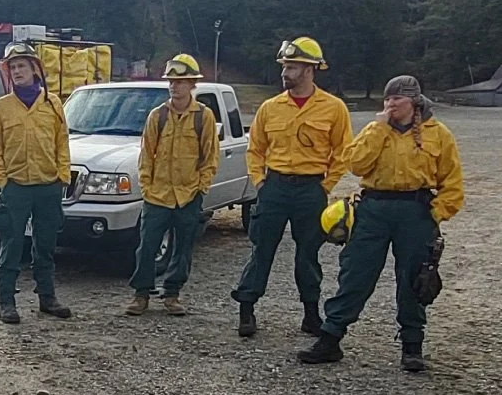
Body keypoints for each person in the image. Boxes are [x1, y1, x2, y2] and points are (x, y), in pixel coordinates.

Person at [298, 75, 464, 372]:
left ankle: (412, 346)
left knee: (414, 278)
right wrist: (378, 128)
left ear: (414, 101)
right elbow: (357, 164)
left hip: (415, 211)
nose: (390, 104)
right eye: (387, 98)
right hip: (374, 208)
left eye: (397, 98)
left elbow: (452, 182)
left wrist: (436, 213)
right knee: (355, 273)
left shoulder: (438, 134)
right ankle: (330, 338)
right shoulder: (376, 129)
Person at [231, 36, 352, 338]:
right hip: (274, 186)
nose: (285, 72)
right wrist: (260, 182)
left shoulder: (333, 108)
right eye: (285, 65)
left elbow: (343, 152)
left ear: (310, 70)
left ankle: (311, 315)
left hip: (311, 189)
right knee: (262, 249)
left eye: (293, 66)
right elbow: (255, 149)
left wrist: (326, 186)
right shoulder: (270, 108)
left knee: (308, 253)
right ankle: (246, 309)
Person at [0, 42, 73, 324]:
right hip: (16, 188)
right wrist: (3, 181)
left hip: (48, 186)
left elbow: (62, 142)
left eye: (22, 65)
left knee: (46, 244)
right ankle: (7, 302)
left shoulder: (53, 103)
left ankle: (47, 298)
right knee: (11, 245)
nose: (17, 71)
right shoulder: (1, 107)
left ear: (35, 69)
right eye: (12, 67)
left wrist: (62, 177)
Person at [124, 54, 219, 317]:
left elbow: (210, 156)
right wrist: (147, 188)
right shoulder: (158, 116)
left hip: (189, 194)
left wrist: (201, 187)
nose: (174, 86)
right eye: (171, 81)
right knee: (147, 247)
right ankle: (141, 294)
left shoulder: (204, 117)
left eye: (180, 81)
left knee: (183, 248)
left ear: (192, 84)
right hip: (157, 195)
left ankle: (173, 293)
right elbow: (146, 155)